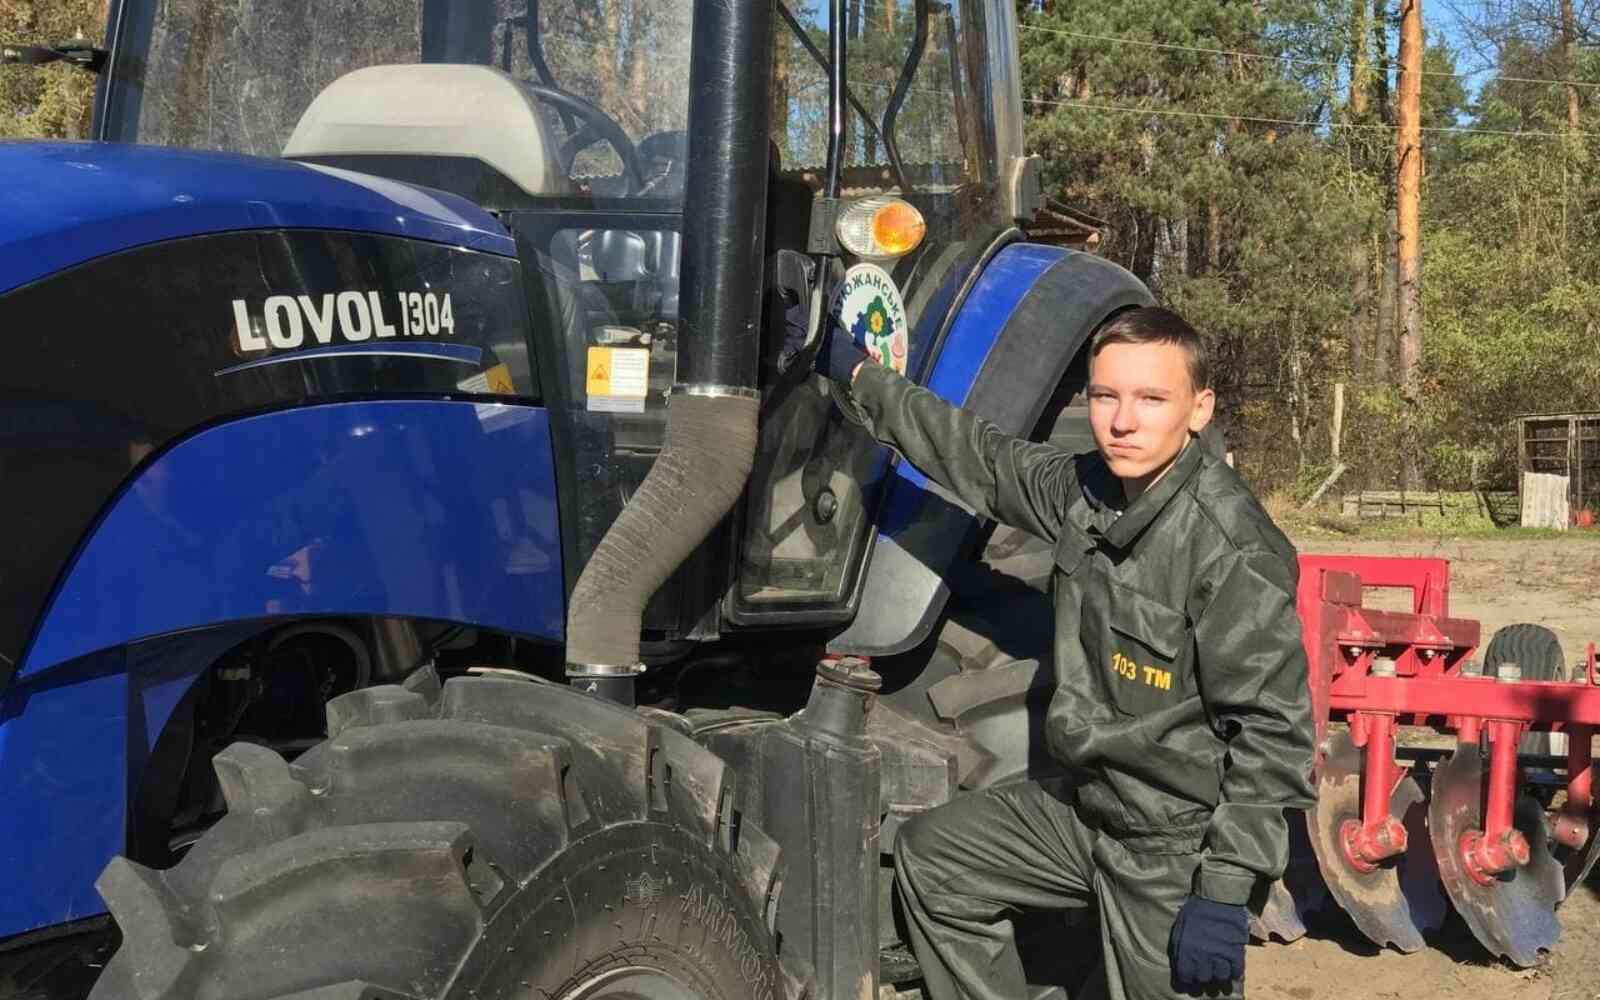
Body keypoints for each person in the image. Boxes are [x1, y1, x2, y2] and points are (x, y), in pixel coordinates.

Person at [819, 306, 1317, 999]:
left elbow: (1273, 738)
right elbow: (980, 459)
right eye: (1106, 396)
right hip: (1087, 812)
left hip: (1173, 848)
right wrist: (858, 375)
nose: (1123, 420)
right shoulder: (1086, 492)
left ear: (1198, 409)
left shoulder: (1232, 551)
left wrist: (1225, 890)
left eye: (1151, 399)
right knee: (937, 861)